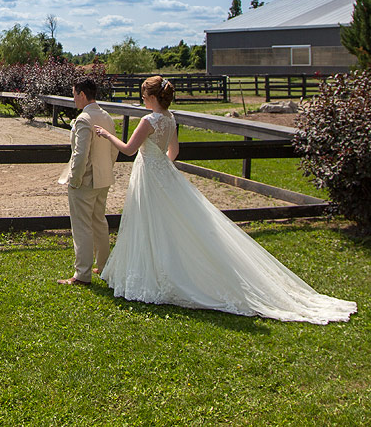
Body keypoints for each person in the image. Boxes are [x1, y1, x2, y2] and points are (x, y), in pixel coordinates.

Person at [93, 76, 356, 324]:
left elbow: (128, 149)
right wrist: (161, 166)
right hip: (162, 172)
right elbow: (174, 151)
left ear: (151, 97)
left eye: (144, 95)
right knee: (171, 223)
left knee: (150, 221)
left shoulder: (149, 120)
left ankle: (154, 275)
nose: (143, 99)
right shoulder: (171, 118)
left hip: (149, 174)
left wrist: (107, 135)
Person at [57, 77, 118, 286]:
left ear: (82, 94)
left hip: (86, 180)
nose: (73, 98)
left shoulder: (84, 119)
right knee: (99, 222)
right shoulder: (107, 117)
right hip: (103, 177)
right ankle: (103, 265)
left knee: (82, 226)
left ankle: (82, 274)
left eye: (74, 94)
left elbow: (80, 154)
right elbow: (113, 148)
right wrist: (107, 168)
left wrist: (75, 179)